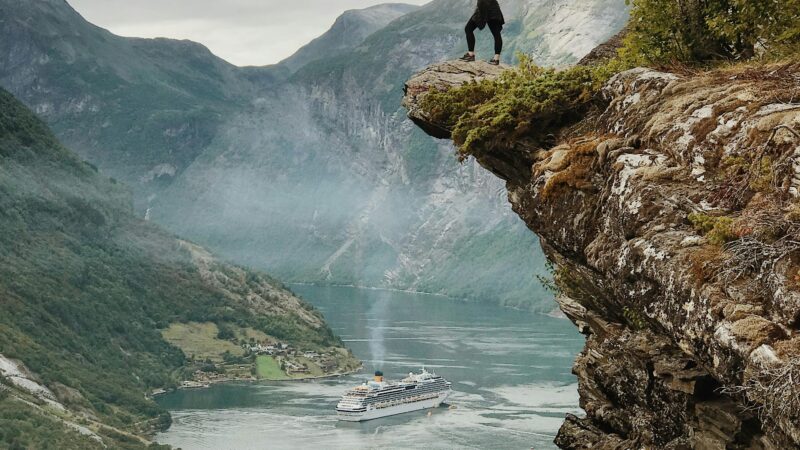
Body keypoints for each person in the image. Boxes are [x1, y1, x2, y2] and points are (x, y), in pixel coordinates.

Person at [459, 0, 505, 65]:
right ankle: (496, 59)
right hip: (491, 9)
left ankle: (471, 55)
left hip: (486, 8)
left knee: (468, 28)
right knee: (496, 34)